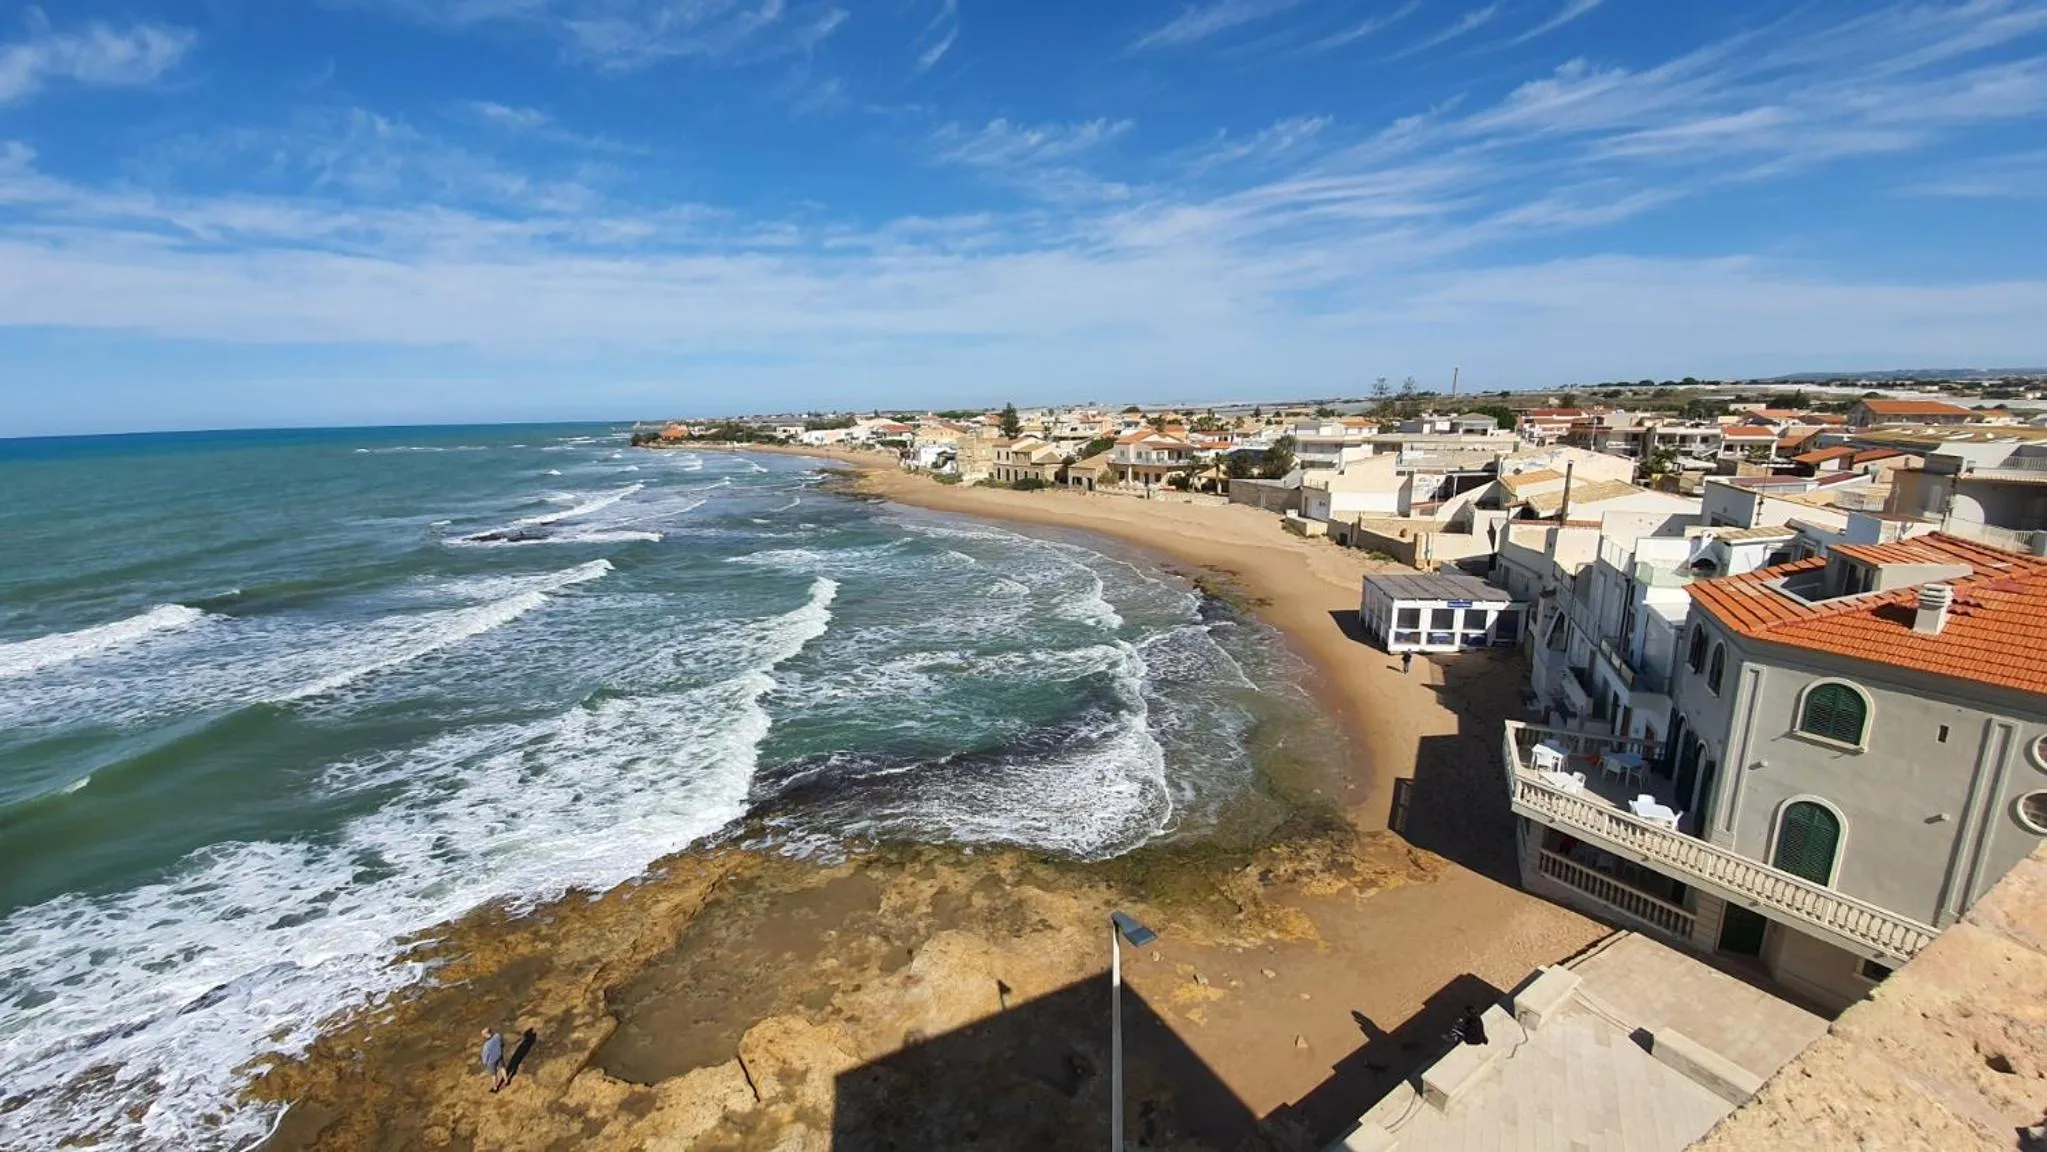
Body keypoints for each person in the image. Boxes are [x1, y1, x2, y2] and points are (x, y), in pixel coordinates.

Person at [481, 1028, 509, 1092]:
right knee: (502, 1068)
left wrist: (485, 1062)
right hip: (499, 1056)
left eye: (483, 1035)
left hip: (491, 1061)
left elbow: (485, 1056)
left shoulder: (486, 1045)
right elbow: (502, 1044)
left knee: (493, 1074)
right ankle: (506, 1081)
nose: (482, 1036)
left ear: (486, 1035)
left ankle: (495, 1088)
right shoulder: (497, 1035)